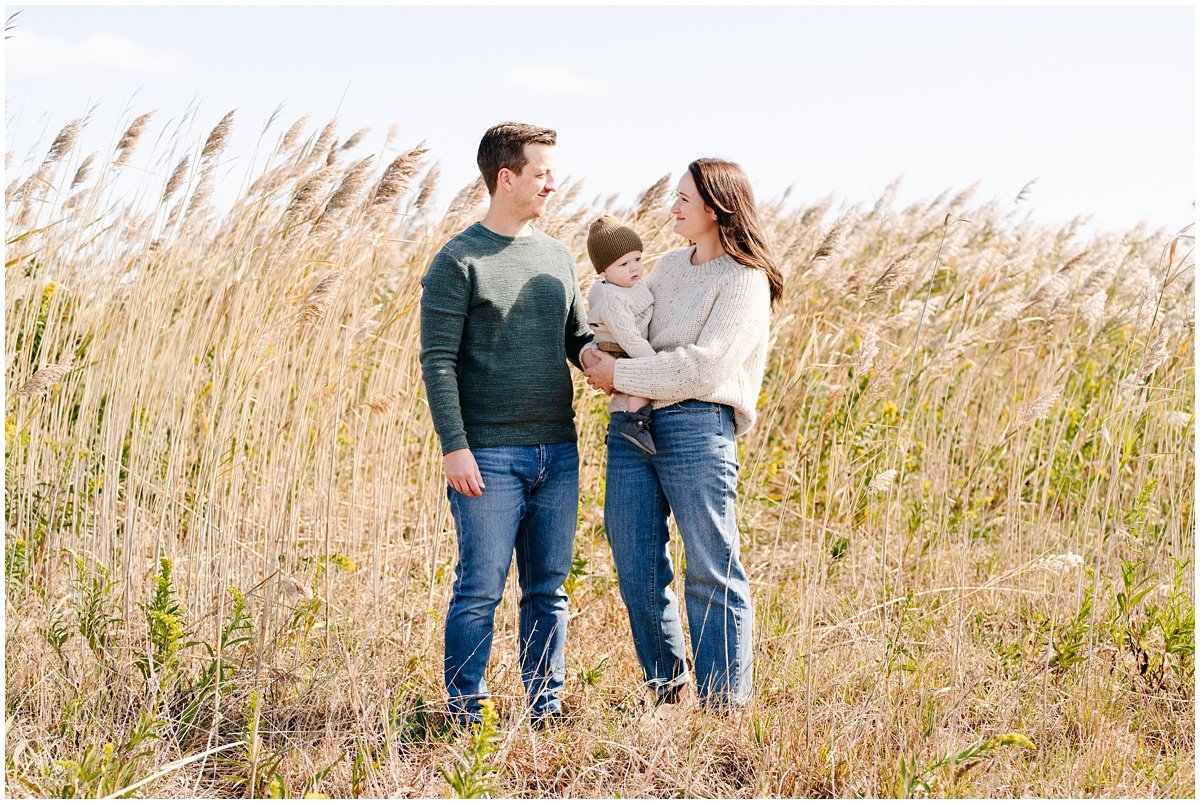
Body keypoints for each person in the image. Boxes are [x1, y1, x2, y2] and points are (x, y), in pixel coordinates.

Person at [583, 158, 783, 708]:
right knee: (636, 565)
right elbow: (624, 323)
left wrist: (619, 374)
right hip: (631, 422)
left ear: (716, 209)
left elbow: (704, 367)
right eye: (674, 195)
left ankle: (723, 708)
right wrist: (594, 353)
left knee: (711, 569)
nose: (672, 207)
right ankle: (667, 695)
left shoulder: (745, 281)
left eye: (684, 199)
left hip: (697, 424)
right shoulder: (667, 267)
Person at [419, 122, 594, 726]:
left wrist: (608, 361)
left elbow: (578, 340)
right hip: (487, 456)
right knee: (480, 590)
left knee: (549, 590)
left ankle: (544, 711)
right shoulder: (457, 260)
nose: (553, 182)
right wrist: (455, 447)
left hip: (557, 451)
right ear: (507, 177)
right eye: (542, 172)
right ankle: (467, 713)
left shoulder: (558, 257)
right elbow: (437, 360)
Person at [585, 215, 657, 455]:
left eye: (637, 259)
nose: (634, 267)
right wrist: (653, 362)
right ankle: (634, 422)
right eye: (623, 264)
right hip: (618, 348)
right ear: (604, 270)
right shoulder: (612, 299)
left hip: (625, 345)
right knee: (640, 381)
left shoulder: (630, 286)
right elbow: (629, 338)